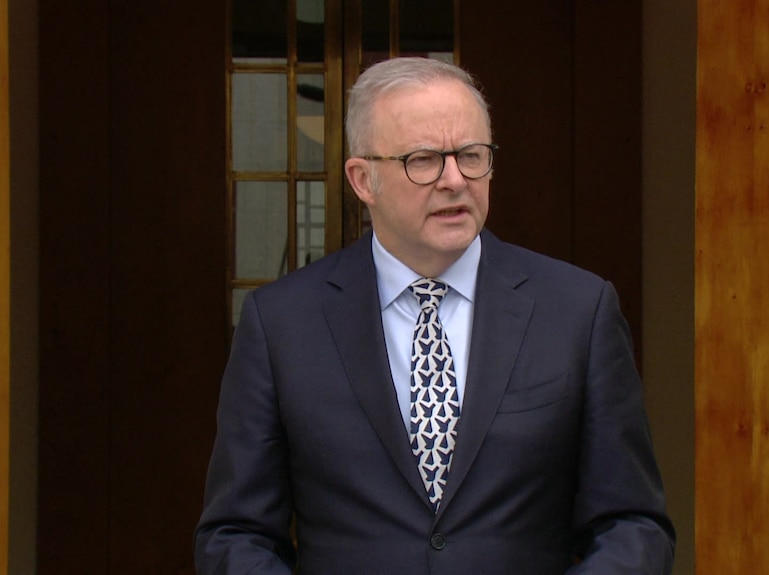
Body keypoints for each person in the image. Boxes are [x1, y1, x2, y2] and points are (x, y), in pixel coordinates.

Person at [194, 56, 675, 574]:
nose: (454, 180)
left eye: (471, 155)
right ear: (362, 179)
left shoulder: (578, 312)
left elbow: (633, 525)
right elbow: (236, 535)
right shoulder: (281, 324)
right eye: (423, 160)